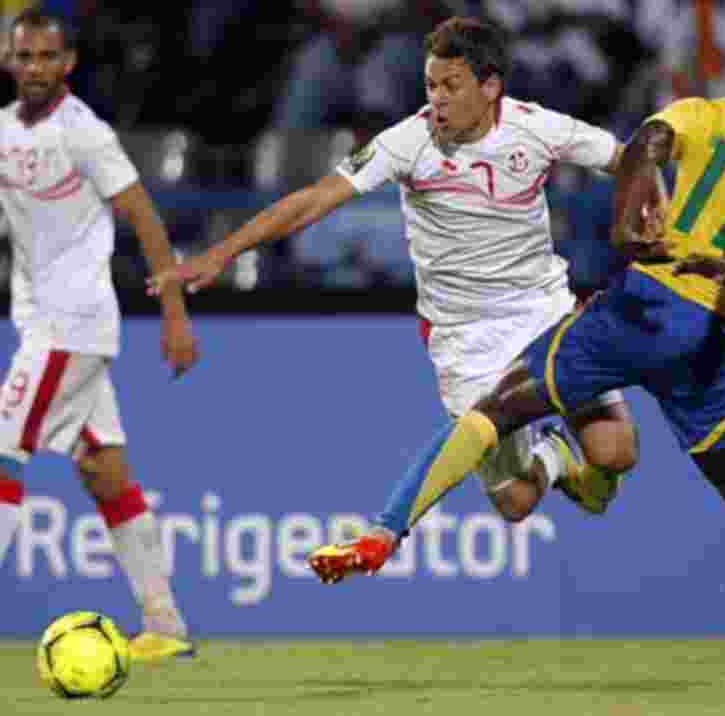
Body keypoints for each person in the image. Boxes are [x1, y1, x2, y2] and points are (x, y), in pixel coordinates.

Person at [306, 18, 725, 701]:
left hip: (637, 307)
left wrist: (627, 220)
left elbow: (645, 145)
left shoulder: (699, 112)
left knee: (497, 409)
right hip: (712, 339)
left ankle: (383, 533)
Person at [149, 17, 639, 524]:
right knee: (516, 503)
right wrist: (222, 252)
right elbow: (314, 200)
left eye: (451, 86)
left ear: (490, 86)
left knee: (616, 452)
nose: (438, 99)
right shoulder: (408, 142)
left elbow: (631, 159)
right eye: (431, 85)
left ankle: (565, 447)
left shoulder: (537, 127)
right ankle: (553, 454)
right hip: (468, 338)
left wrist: (656, 215)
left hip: (543, 315)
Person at [0, 9, 198, 661]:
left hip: (71, 326)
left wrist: (174, 311)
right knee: (104, 471)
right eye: (24, 56)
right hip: (44, 323)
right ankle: (165, 624)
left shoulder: (83, 132)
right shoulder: (3, 130)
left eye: (46, 57)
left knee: (2, 451)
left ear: (69, 63)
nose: (34, 68)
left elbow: (142, 213)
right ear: (8, 60)